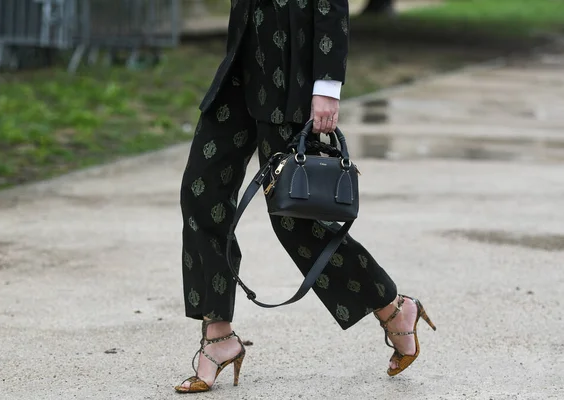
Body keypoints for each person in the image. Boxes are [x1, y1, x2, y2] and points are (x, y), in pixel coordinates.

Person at [175, 0, 435, 393]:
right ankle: (218, 336)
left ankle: (393, 306)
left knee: (295, 219)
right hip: (239, 70)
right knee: (201, 195)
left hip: (290, 80)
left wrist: (327, 87)